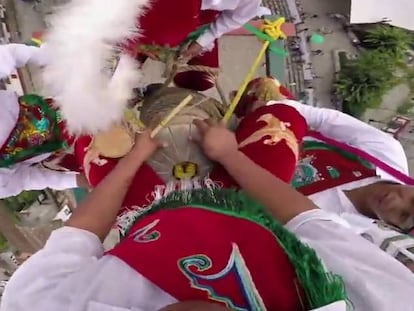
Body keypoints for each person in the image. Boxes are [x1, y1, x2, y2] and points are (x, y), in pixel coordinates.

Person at [4, 98, 414, 311]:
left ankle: (40, 150)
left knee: (96, 136)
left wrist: (128, 163)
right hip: (245, 187)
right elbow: (305, 218)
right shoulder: (384, 297)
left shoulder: (38, 304)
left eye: (403, 215)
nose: (396, 200)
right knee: (278, 125)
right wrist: (233, 149)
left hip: (150, 212)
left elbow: (78, 234)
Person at [238, 77, 414, 270]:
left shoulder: (343, 233)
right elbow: (322, 119)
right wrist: (270, 108)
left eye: (403, 215)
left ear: (398, 231)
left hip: (238, 189)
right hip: (266, 135)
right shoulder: (387, 151)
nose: (395, 203)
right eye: (412, 199)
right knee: (268, 89)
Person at [0, 43, 87, 198]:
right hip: (63, 153)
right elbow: (26, 179)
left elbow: (9, 55)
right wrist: (75, 180)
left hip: (65, 108)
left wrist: (48, 58)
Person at [124, 0, 262, 91]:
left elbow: (238, 16)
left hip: (200, 23)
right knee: (121, 68)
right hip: (148, 13)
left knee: (201, 80)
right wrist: (137, 44)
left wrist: (204, 40)